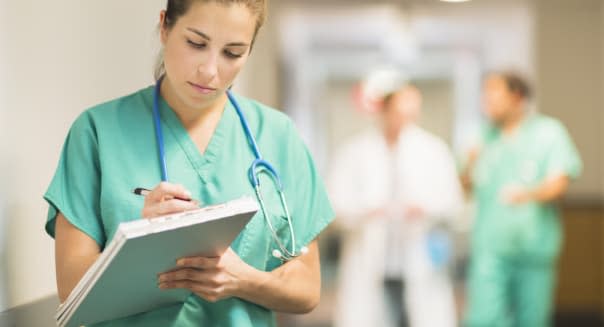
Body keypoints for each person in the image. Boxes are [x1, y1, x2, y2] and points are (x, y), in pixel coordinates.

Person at [43, 1, 334, 326]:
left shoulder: (277, 135)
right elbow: (71, 288)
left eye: (233, 53)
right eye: (196, 44)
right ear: (165, 26)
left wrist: (244, 280)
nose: (210, 70)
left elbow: (307, 288)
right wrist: (140, 244)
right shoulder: (97, 132)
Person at [330, 79, 463, 327]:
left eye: (412, 114)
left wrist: (425, 207)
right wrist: (367, 210)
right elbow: (336, 204)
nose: (406, 120)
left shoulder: (433, 150)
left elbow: (452, 200)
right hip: (369, 255)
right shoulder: (354, 151)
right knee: (364, 315)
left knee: (426, 315)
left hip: (418, 253)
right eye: (400, 113)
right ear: (384, 111)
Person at [462, 71, 582, 327]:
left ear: (516, 97)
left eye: (493, 95)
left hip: (533, 249)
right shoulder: (483, 137)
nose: (486, 102)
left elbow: (560, 183)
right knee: (483, 318)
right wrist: (468, 167)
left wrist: (527, 194)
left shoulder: (548, 133)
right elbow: (465, 187)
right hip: (490, 249)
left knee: (532, 320)